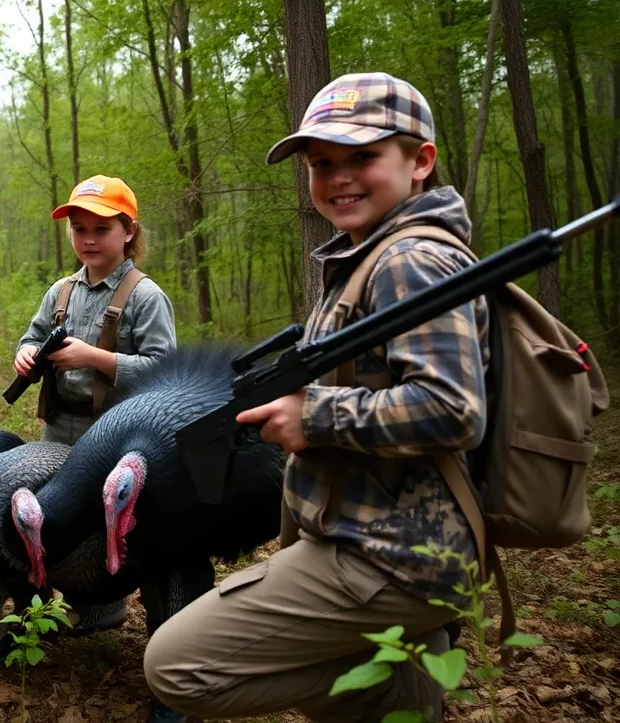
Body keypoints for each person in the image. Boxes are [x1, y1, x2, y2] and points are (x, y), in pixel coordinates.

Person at [144, 73, 489, 722]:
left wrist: (316, 415)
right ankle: (400, 677)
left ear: (420, 162)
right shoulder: (369, 256)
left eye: (363, 157)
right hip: (366, 538)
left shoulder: (408, 260)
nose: (339, 177)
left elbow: (452, 408)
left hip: (393, 554)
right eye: (321, 163)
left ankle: (400, 679)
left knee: (175, 666)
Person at [15, 175, 176, 630]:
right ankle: (88, 602)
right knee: (63, 520)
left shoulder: (145, 296)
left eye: (101, 229)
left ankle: (140, 613)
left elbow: (165, 369)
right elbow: (31, 336)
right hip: (59, 428)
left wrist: (96, 358)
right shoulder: (60, 291)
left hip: (120, 435)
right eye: (78, 228)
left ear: (128, 232)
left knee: (124, 526)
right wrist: (25, 352)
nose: (88, 238)